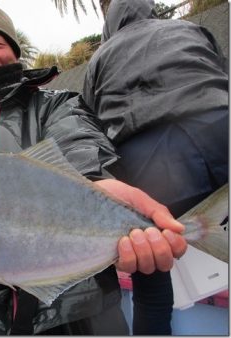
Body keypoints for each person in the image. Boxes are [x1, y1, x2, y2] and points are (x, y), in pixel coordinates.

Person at [0, 3, 187, 335]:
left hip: (78, 316)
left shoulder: (59, 105)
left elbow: (78, 147)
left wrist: (94, 183)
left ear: (16, 54)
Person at [83, 0, 228, 334]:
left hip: (152, 161)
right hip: (221, 124)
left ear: (109, 26)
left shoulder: (100, 58)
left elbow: (90, 126)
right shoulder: (189, 28)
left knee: (151, 269)